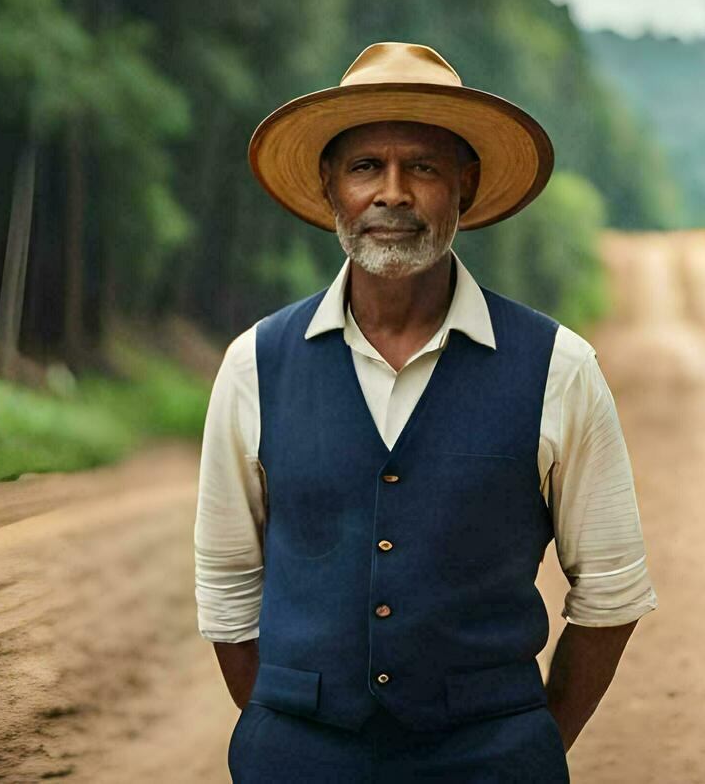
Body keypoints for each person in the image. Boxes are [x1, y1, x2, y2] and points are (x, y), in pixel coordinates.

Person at [193, 42, 656, 781]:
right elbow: (226, 591)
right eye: (366, 167)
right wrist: (290, 741)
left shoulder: (559, 368)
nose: (394, 194)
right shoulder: (254, 365)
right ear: (330, 188)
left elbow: (611, 593)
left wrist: (529, 747)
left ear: (464, 188)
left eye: (425, 168)